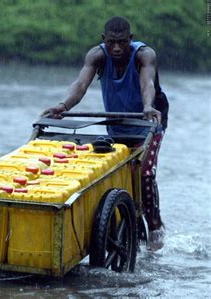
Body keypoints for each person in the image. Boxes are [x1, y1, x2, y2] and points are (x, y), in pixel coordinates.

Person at [41, 16, 169, 249]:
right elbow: (80, 85)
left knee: (144, 173)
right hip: (118, 122)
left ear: (131, 39)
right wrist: (63, 106)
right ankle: (120, 221)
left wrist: (148, 106)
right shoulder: (97, 56)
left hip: (149, 120)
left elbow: (147, 83)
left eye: (122, 42)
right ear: (104, 40)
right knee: (113, 172)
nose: (117, 48)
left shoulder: (144, 55)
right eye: (111, 42)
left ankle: (155, 227)